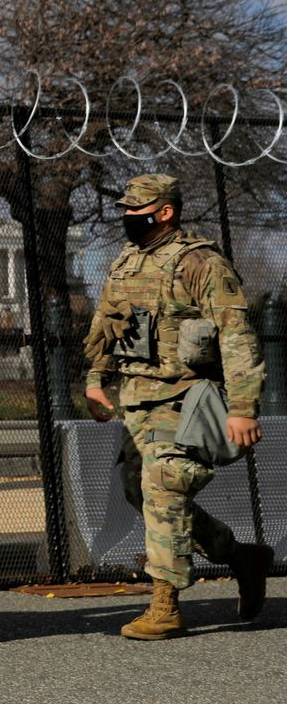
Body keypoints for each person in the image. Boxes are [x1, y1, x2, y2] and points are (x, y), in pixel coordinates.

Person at [83, 173, 272, 639]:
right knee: (139, 491)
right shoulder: (126, 262)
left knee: (164, 483)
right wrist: (94, 379)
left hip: (185, 398)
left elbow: (236, 334)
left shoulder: (202, 263)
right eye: (125, 209)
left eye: (136, 209)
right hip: (135, 399)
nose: (128, 217)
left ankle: (165, 604)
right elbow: (106, 324)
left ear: (165, 211)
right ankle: (240, 555)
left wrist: (243, 406)